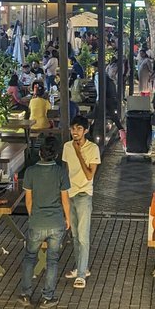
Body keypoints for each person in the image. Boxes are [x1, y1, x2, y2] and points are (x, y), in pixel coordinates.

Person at [17, 133, 71, 306]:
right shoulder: (61, 172)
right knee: (52, 260)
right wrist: (67, 219)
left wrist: (33, 215)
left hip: (37, 221)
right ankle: (48, 297)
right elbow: (65, 199)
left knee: (30, 257)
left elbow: (28, 200)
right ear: (56, 154)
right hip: (56, 222)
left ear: (40, 152)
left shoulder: (31, 172)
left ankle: (25, 294)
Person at [62, 116, 100, 289]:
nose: (74, 132)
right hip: (70, 193)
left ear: (85, 130)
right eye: (72, 129)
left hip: (84, 193)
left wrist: (78, 153)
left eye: (78, 128)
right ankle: (79, 267)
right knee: (75, 235)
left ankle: (82, 274)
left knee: (83, 236)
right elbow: (66, 170)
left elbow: (89, 175)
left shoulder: (93, 148)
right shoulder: (66, 147)